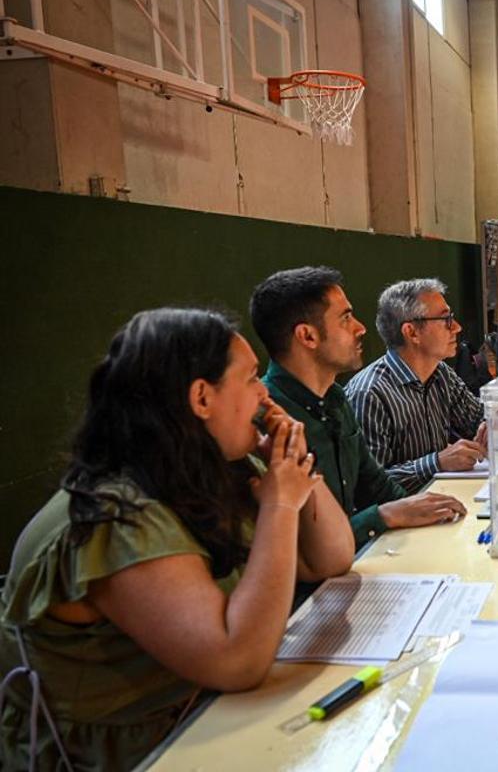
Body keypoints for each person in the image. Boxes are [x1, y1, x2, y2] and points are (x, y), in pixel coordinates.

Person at [0, 308, 354, 769]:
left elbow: (330, 557)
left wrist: (296, 467)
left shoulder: (212, 471)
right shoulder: (114, 516)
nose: (264, 393)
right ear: (202, 397)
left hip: (200, 725)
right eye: (250, 379)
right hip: (117, 757)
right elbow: (237, 662)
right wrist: (281, 505)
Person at [249, 267, 467, 550]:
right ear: (308, 336)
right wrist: (383, 516)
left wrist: (426, 510)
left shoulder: (336, 399)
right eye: (346, 318)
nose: (361, 328)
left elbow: (378, 486)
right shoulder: (266, 421)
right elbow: (295, 548)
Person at [346, 279, 488, 494]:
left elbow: (477, 417)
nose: (457, 327)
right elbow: (369, 486)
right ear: (412, 332)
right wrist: (437, 463)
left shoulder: (441, 373)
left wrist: (490, 425)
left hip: (438, 498)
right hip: (400, 517)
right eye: (446, 319)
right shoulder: (369, 393)